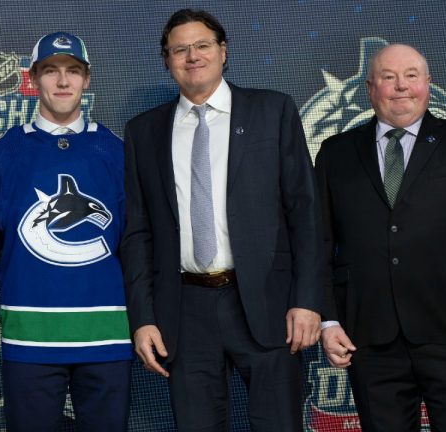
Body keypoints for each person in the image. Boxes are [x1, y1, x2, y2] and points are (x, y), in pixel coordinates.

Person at [121, 9, 323, 431]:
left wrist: (307, 300)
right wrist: (142, 318)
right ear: (166, 60)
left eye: (202, 45)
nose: (192, 56)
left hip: (268, 306)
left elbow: (305, 213)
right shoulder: (143, 132)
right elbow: (138, 233)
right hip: (184, 311)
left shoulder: (273, 111)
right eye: (180, 49)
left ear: (223, 51)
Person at [316, 43, 446, 431]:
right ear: (371, 88)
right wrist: (327, 320)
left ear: (428, 84)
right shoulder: (336, 153)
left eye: (411, 76)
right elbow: (317, 242)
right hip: (369, 337)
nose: (400, 86)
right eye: (388, 77)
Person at [0, 32, 133, 431]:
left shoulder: (117, 152)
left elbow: (133, 243)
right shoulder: (2, 154)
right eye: (51, 71)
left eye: (73, 71)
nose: (63, 81)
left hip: (105, 337)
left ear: (88, 79)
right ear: (33, 78)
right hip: (32, 339)